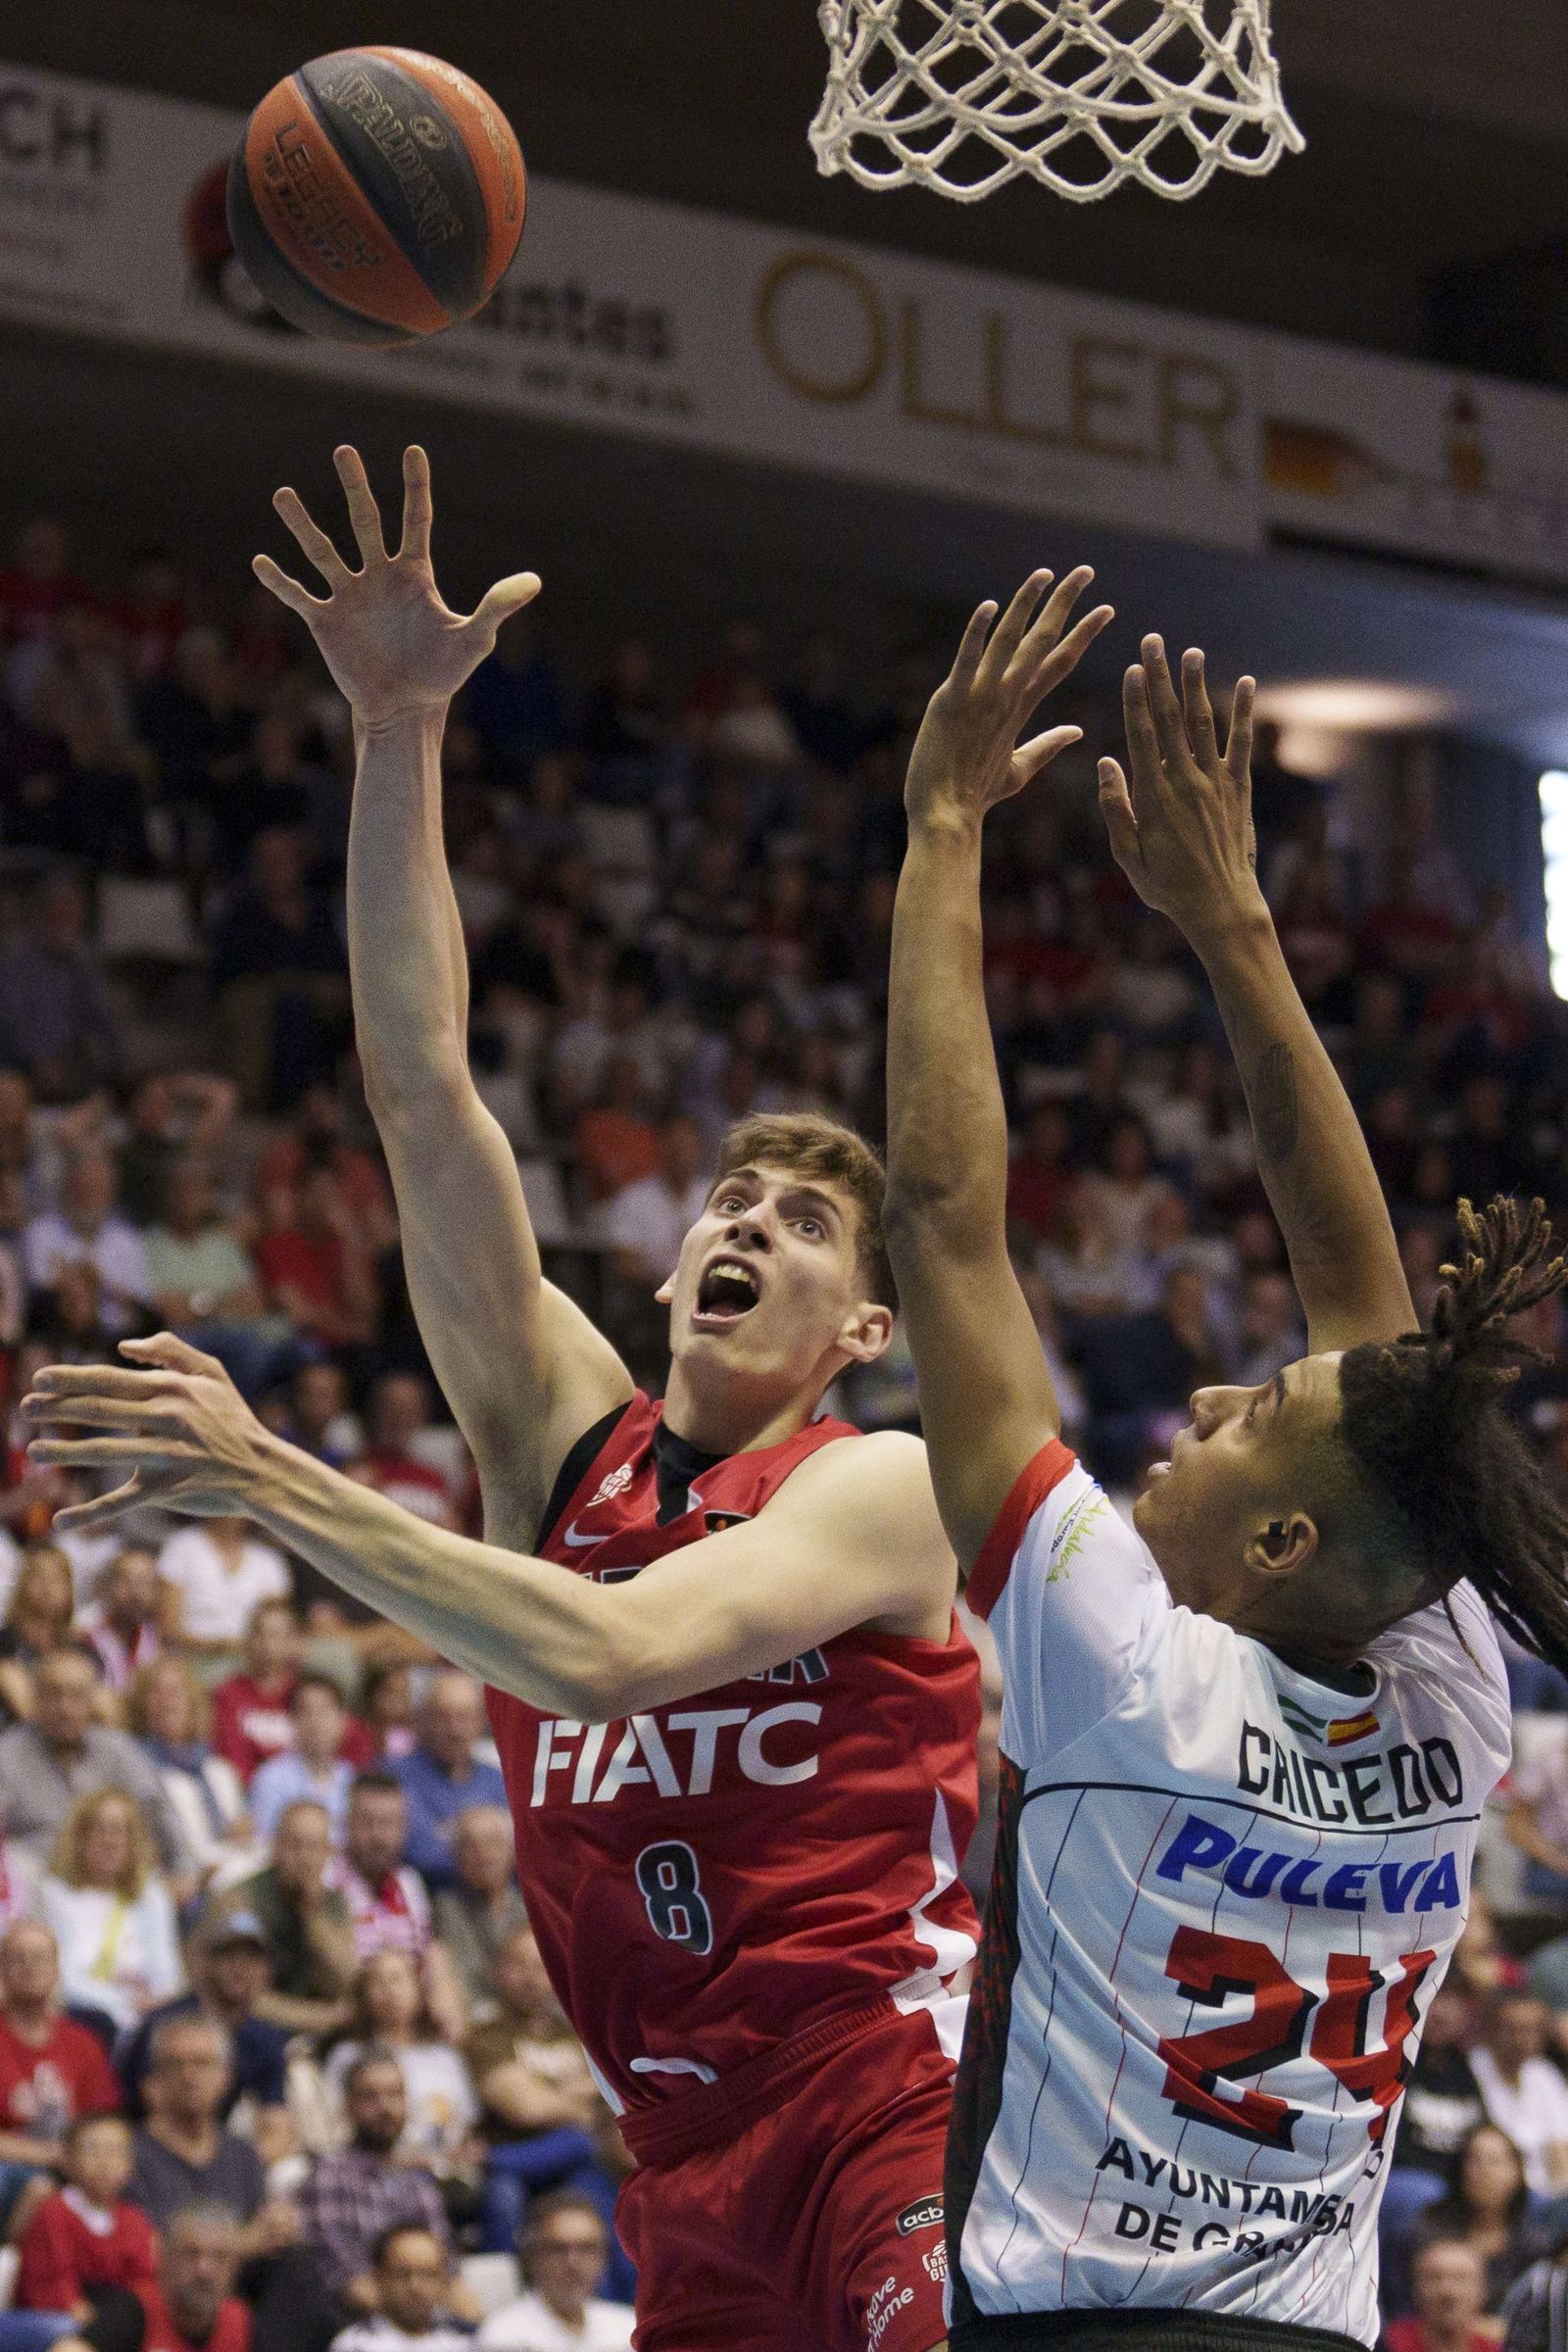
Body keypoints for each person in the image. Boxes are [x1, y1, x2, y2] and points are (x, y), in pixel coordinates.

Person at [25, 445, 996, 2352]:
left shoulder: (881, 1485)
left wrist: (272, 1479)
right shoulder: (563, 1430)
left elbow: (615, 1658)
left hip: (899, 2115)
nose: (743, 1224)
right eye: (727, 1200)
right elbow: (420, 1085)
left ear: (858, 1323)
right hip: (682, 2180)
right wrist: (394, 728)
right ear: (658, 1268)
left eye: (797, 1224)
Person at [880, 590, 1548, 2344]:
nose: (1198, 1401)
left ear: (1278, 1538)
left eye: (1240, 1421)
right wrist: (1235, 927)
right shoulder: (1444, 1688)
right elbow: (1364, 1311)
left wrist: (945, 826)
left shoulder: (1125, 1670)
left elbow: (947, 1229)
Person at [465, 1927, 601, 2259]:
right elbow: (524, 2108)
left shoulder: (575, 2032)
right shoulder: (487, 2035)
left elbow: (605, 2099)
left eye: (539, 1965)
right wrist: (578, 2095)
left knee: (596, 2182)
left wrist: (545, 2090)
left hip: (570, 2163)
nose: (530, 1977)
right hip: (518, 2160)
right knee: (504, 2192)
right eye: (518, 1965)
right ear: (497, 1970)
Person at [297, 2054, 464, 2326]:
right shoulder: (329, 2174)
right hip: (360, 2326)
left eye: (394, 2094)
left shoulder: (419, 2180)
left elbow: (445, 2263)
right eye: (369, 2097)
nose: (384, 2107)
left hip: (426, 2322)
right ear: (348, 2106)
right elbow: (349, 2284)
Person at [0, 1649, 193, 1878]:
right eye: (53, 1695)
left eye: (76, 1696)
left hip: (120, 1888)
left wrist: (182, 1872)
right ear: (35, 1701)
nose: (65, 1708)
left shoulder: (116, 1749)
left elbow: (158, 1809)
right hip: (38, 1885)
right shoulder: (8, 1756)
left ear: (92, 1702)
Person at [119, 1913, 289, 2135]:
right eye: (229, 1956)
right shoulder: (164, 2024)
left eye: (251, 1958)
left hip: (229, 2153)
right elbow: (143, 2102)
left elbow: (275, 2116)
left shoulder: (264, 2038)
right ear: (206, 1962)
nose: (240, 1968)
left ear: (267, 1970)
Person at [201, 1802, 356, 2039]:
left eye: (313, 1847)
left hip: (324, 2039)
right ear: (275, 1847)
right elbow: (240, 1996)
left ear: (328, 1853)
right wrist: (326, 2017)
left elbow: (346, 1982)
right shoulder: (240, 1901)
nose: (304, 1858)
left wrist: (312, 1916)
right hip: (250, 2035)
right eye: (294, 1845)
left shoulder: (335, 1904)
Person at [321, 1952, 477, 2183]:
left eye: (398, 1979)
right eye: (377, 1981)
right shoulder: (347, 2056)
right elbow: (335, 2127)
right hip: (373, 2174)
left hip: (446, 2174)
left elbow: (466, 2126)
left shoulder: (445, 2057)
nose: (389, 1991)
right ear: (363, 1994)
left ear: (419, 1989)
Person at [0, 1922, 119, 2226]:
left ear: (57, 1970)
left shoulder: (83, 2043)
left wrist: (80, 2162)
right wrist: (50, 2155)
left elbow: (104, 2122)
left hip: (75, 2169)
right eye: (18, 1958)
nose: (29, 1967)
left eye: (40, 1957)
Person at [325, 1777, 462, 2039]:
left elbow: (426, 1952)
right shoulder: (328, 1879)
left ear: (403, 1829)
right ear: (346, 1825)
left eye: (388, 1824)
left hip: (412, 2016)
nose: (377, 1835)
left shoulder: (409, 1882)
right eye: (366, 1823)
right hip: (352, 2017)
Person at [39, 1789, 183, 2034]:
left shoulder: (151, 1895)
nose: (110, 1840)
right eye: (99, 1830)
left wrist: (155, 2002)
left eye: (119, 1831)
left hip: (148, 2015)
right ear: (80, 1838)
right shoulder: (54, 1894)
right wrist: (122, 2002)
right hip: (84, 2015)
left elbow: (167, 1973)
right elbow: (62, 1976)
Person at [12, 2113, 158, 2352]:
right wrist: (74, 2307)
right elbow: (49, 2277)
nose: (104, 2161)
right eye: (92, 2149)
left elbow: (143, 2281)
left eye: (115, 2151)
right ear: (67, 2159)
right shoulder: (55, 2210)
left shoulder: (135, 2219)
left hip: (117, 2317)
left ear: (130, 2165)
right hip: (62, 2316)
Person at [124, 1657, 250, 1882]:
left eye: (174, 1692)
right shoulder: (133, 1768)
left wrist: (241, 1830)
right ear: (140, 1705)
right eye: (155, 1693)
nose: (166, 1702)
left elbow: (240, 1831)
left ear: (192, 1701)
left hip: (232, 1868)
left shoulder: (219, 1769)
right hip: (180, 1880)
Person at [388, 1677, 505, 1894]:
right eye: (444, 1718)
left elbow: (517, 1852)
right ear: (422, 1720)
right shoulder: (396, 1778)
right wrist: (486, 1852)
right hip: (425, 1900)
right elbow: (420, 1853)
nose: (455, 1730)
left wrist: (453, 1839)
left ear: (481, 1723)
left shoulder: (496, 1781)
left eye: (464, 1718)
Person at [474, 2194, 633, 2352]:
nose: (573, 2263)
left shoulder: (628, 2328)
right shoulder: (504, 2336)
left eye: (587, 2248)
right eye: (559, 2249)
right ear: (532, 2256)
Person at [431, 1809, 525, 2024]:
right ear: (456, 1857)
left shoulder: (528, 1909)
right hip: (473, 2021)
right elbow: (456, 1978)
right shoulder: (447, 1909)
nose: (482, 1853)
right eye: (469, 1846)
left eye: (492, 1842)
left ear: (511, 1851)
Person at [1470, 1992, 1568, 2195]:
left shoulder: (1543, 2074)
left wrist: (1559, 2198)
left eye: (1531, 2031)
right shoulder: (1473, 2068)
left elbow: (1560, 2147)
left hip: (1543, 2194)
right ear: (1493, 2029)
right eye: (1512, 2029)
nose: (1520, 2039)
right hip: (1493, 2186)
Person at [325, 2226, 472, 2352]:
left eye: (427, 2274)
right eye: (403, 2274)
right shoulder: (355, 2345)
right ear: (379, 2278)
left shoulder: (464, 2342)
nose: (415, 2287)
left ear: (443, 2281)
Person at [156, 1520, 290, 1657]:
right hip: (190, 1659)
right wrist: (218, 1646)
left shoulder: (269, 1560)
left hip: (251, 1662)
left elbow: (278, 1629)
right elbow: (168, 1627)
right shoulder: (182, 1546)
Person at [248, 1678, 355, 1845]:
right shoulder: (271, 1778)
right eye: (305, 1711)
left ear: (343, 1720)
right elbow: (267, 1843)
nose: (315, 1721)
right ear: (291, 1721)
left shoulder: (353, 1779)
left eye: (324, 1710)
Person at [133, 2206, 252, 2352]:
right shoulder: (134, 2311)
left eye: (219, 2257)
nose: (204, 2270)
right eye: (191, 2254)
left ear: (234, 2267)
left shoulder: (242, 2324)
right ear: (164, 2256)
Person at [210, 1601, 305, 1784]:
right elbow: (229, 1757)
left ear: (292, 1642)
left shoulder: (305, 1695)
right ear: (248, 1641)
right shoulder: (228, 1694)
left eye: (276, 1635)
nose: (267, 1644)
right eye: (259, 1634)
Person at [0, 1544, 76, 1724]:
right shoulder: (4, 1643)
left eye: (57, 1579)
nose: (48, 1587)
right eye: (39, 1577)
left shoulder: (80, 1649)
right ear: (22, 1584)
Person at [1383, 2236, 1495, 2352]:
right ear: (1416, 2288)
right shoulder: (1389, 2344)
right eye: (1434, 2278)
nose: (1447, 2291)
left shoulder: (1492, 2348)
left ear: (1482, 2291)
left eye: (1460, 2279)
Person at [79, 1547, 161, 1696]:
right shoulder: (84, 1631)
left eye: (144, 1583)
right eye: (126, 1581)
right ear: (108, 1586)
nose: (136, 1592)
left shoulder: (158, 1638)